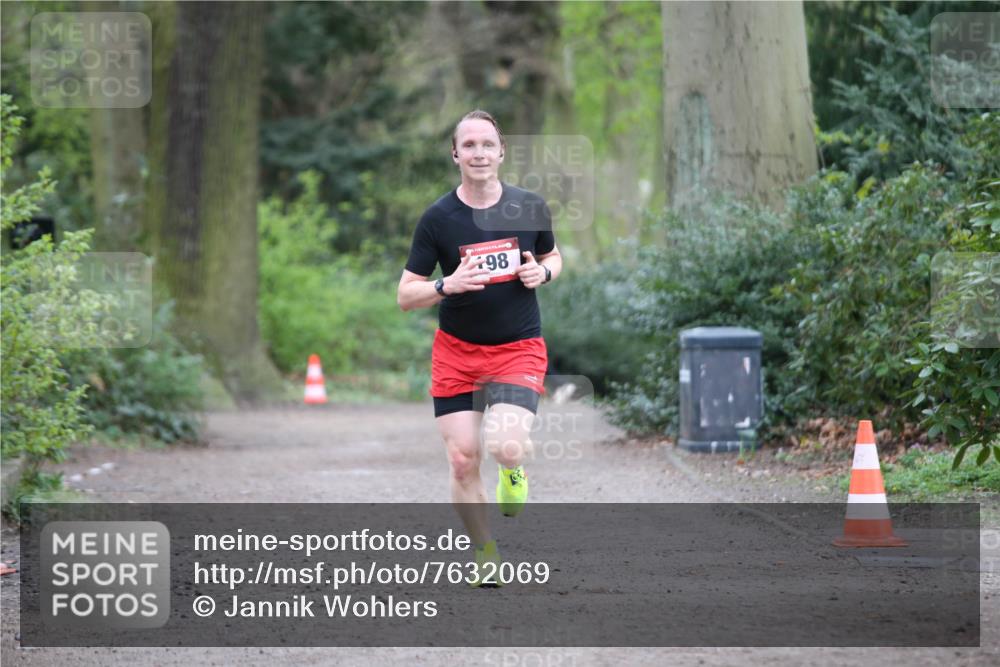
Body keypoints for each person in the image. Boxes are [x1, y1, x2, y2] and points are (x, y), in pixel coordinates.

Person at [397, 110, 562, 586]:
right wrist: (445, 285)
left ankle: (513, 469)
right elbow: (405, 295)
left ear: (502, 151)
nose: (479, 153)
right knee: (462, 458)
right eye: (468, 145)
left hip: (517, 349)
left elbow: (553, 256)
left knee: (506, 446)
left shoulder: (529, 206)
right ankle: (485, 553)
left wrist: (542, 273)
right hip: (457, 353)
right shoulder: (438, 218)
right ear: (455, 154)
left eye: (487, 144)